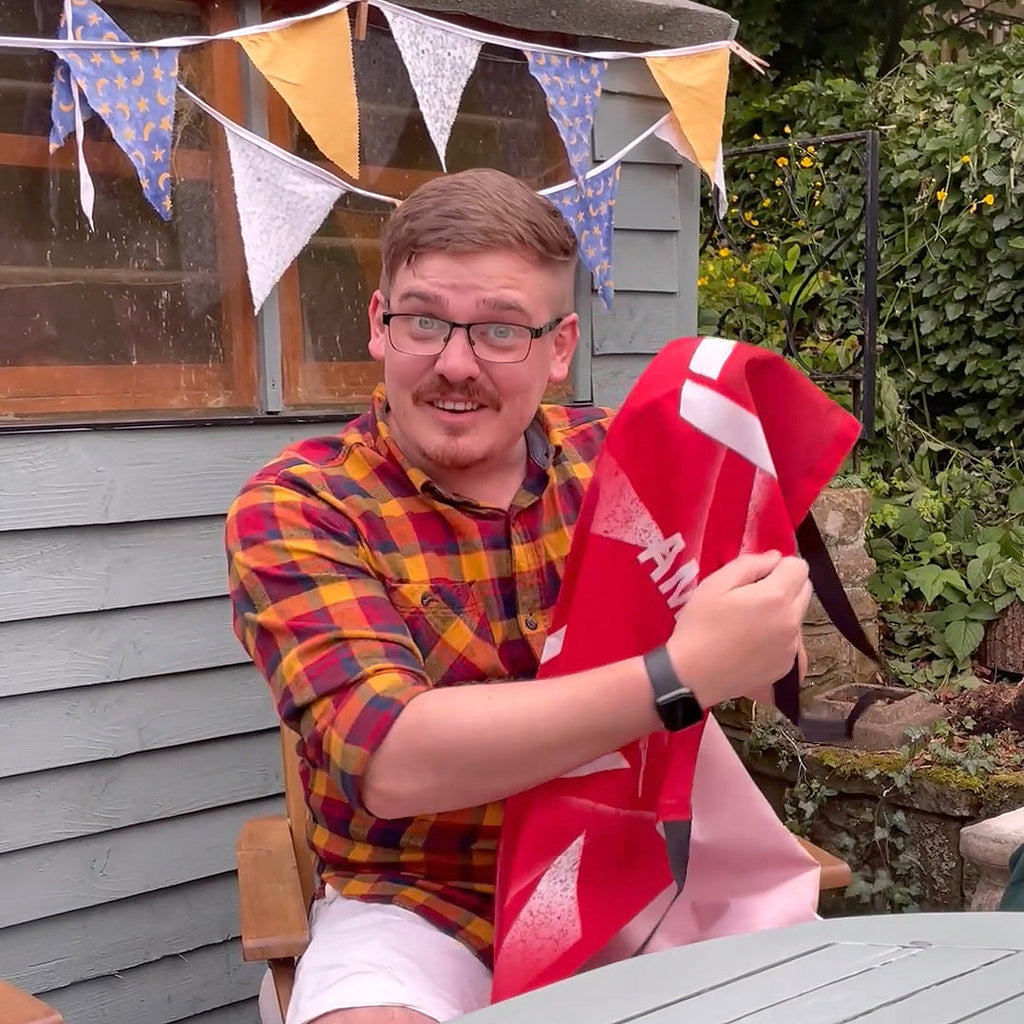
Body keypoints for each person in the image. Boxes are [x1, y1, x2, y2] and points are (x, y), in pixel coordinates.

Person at [225, 167, 812, 1024]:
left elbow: (767, 667)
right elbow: (391, 760)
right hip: (422, 901)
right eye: (424, 320)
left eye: (500, 330)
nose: (455, 363)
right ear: (379, 327)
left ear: (560, 347)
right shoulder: (302, 505)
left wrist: (764, 634)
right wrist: (677, 675)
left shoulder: (622, 458)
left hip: (634, 869)